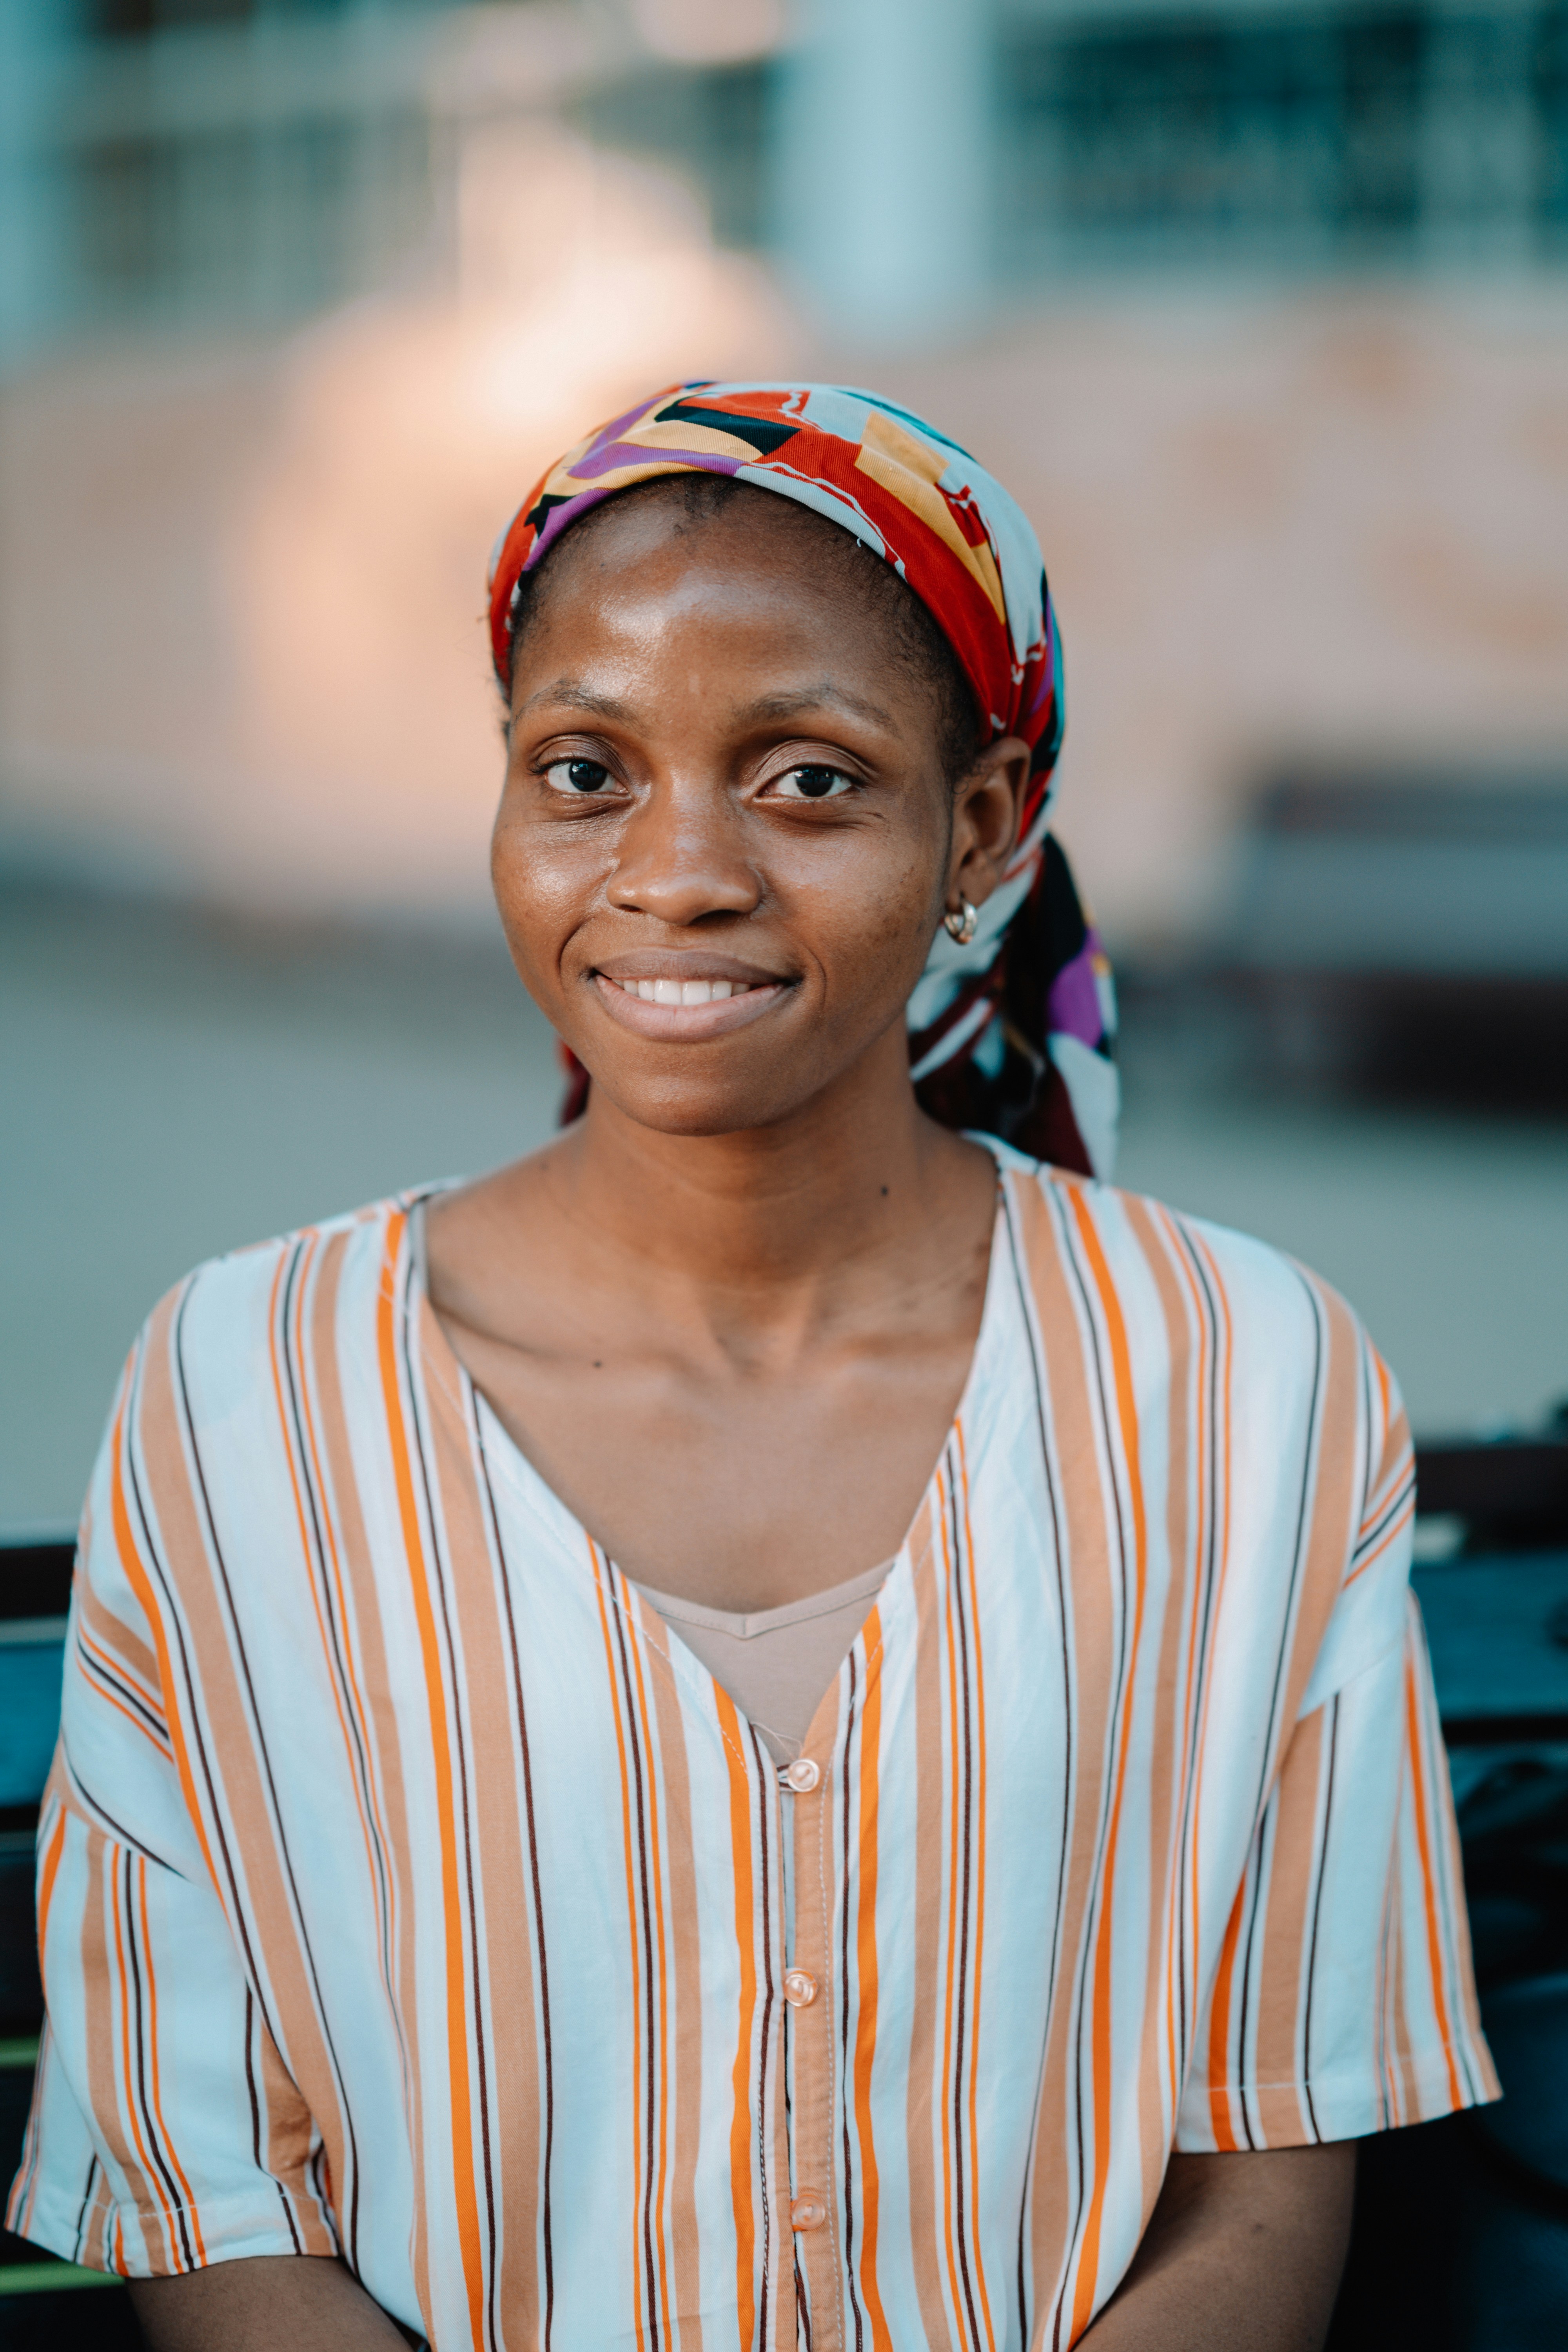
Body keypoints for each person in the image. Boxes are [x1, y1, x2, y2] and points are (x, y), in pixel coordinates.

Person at [9, 382, 1494, 2352]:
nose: (681, 871)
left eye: (805, 778)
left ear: (984, 824)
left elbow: (1269, 2165)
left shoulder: (1249, 1380)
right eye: (583, 769)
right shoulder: (239, 1392)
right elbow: (200, 2186)